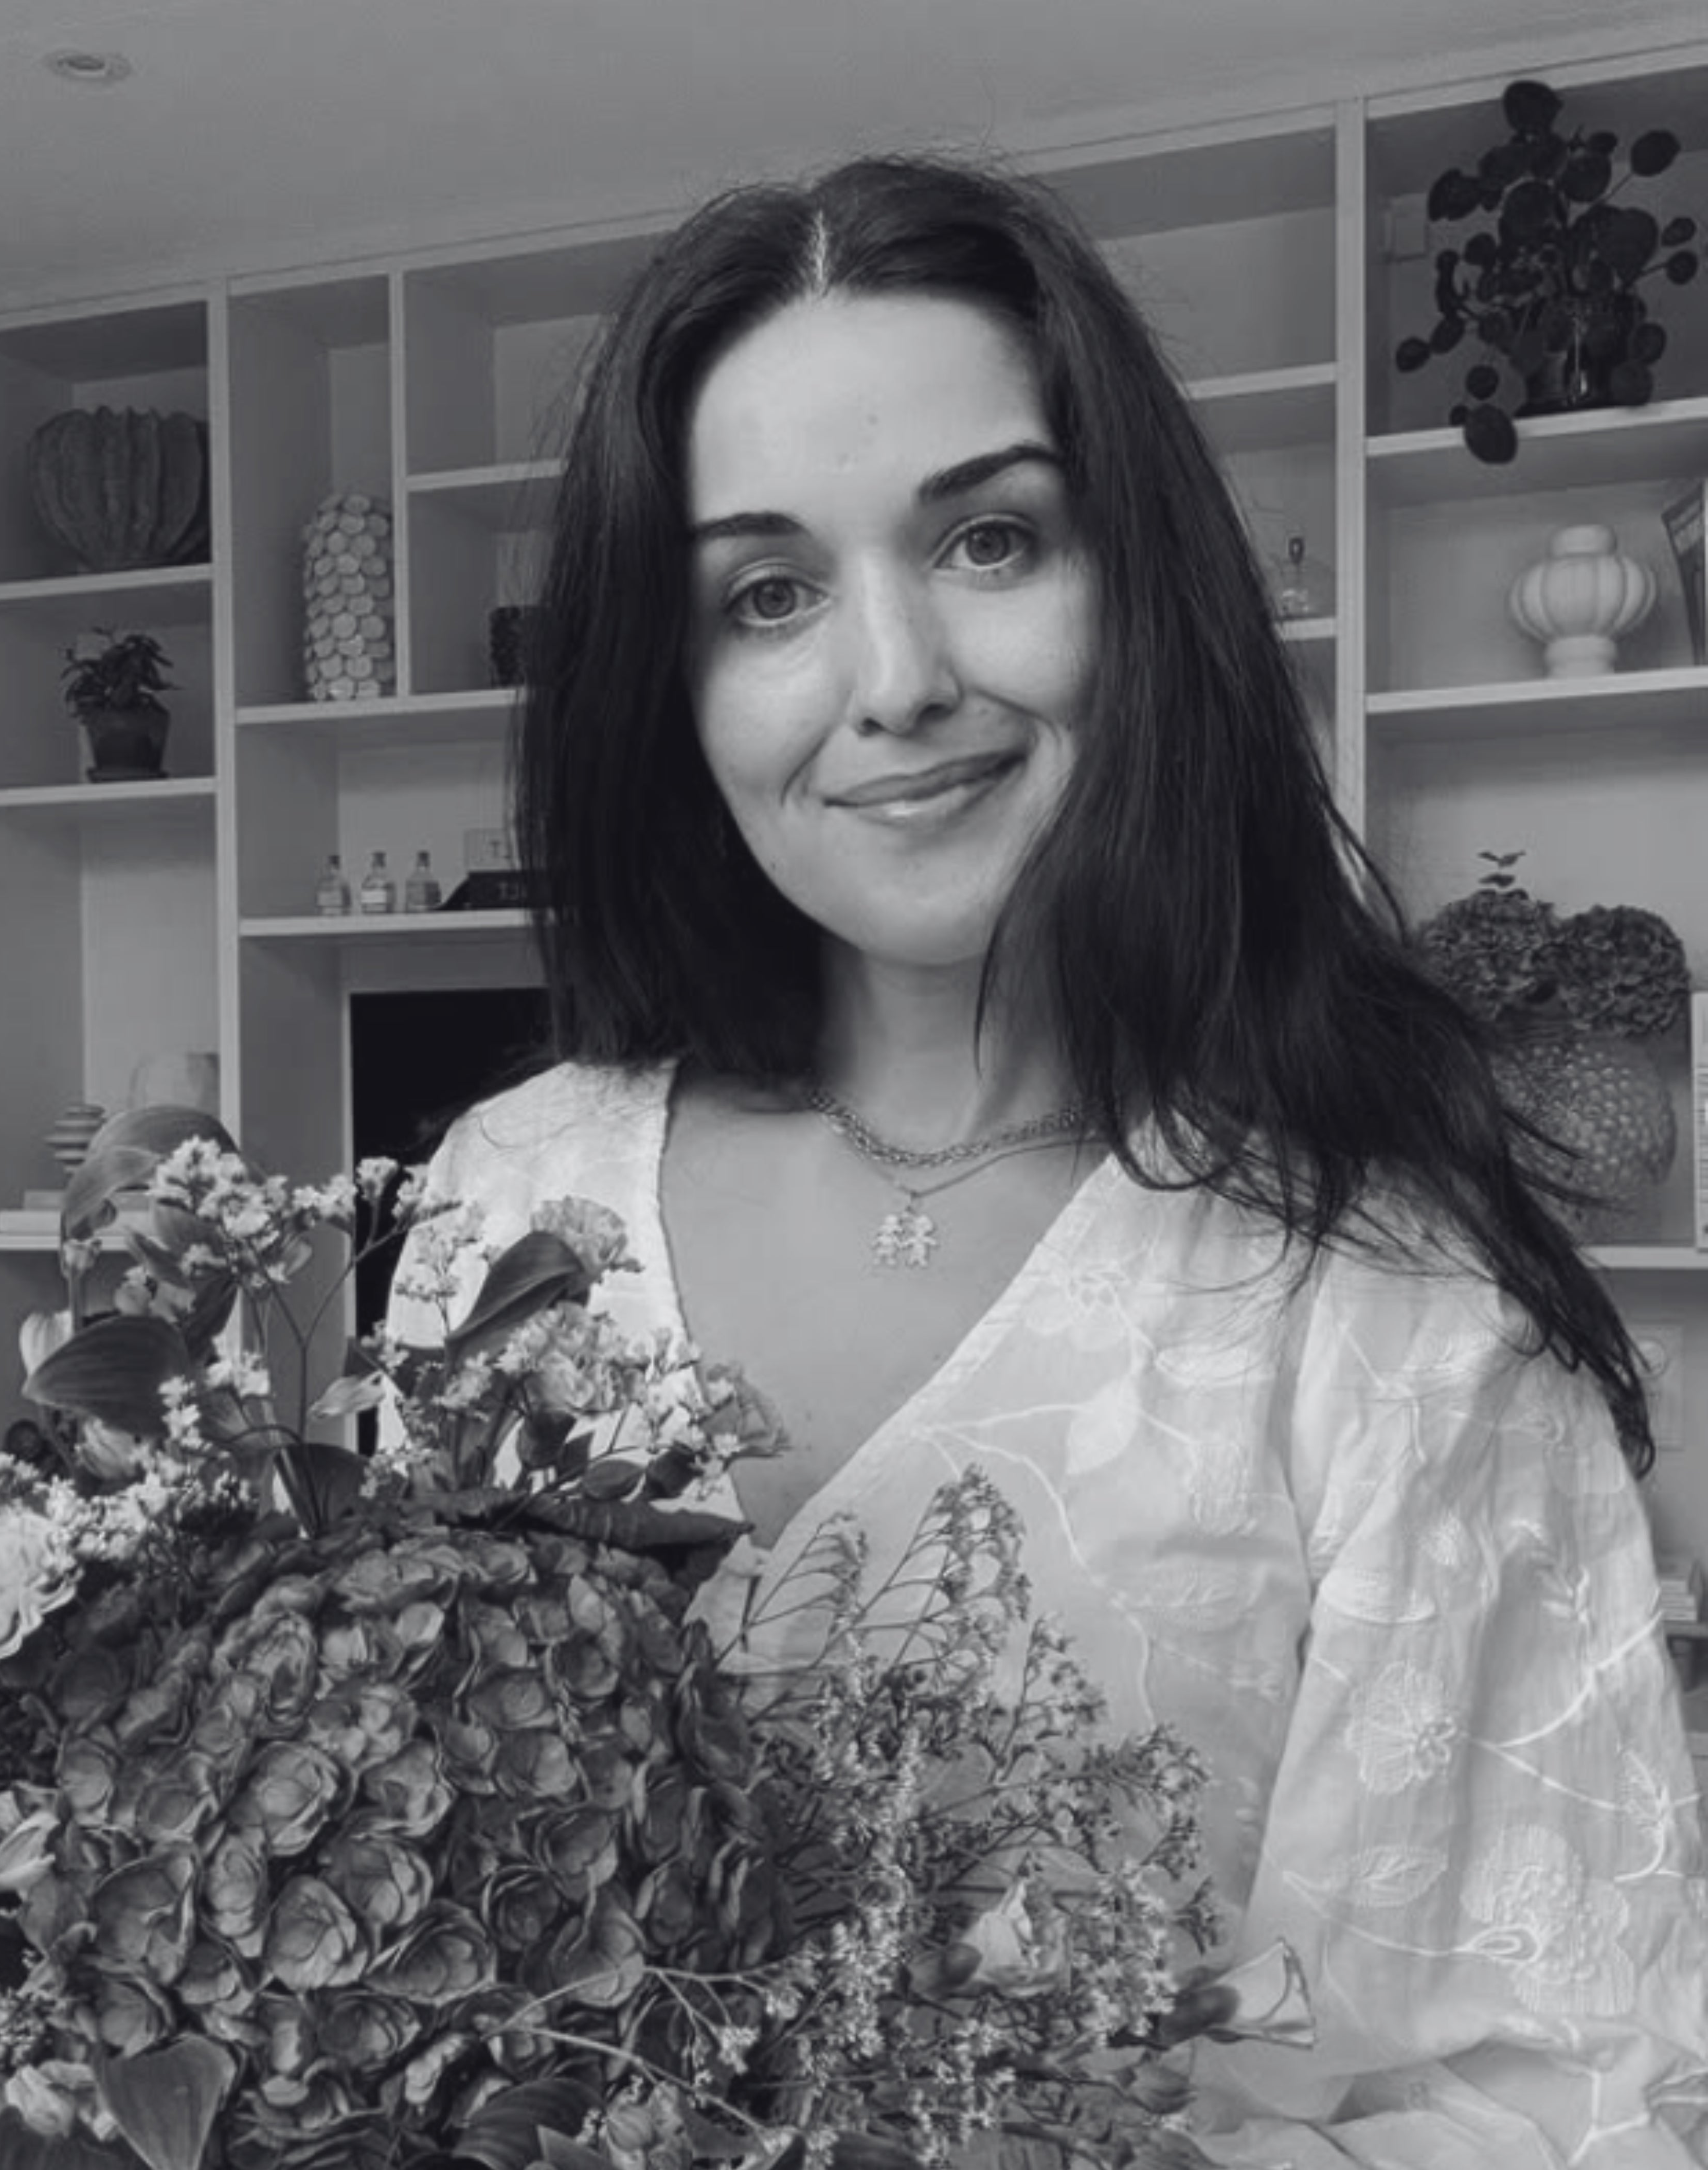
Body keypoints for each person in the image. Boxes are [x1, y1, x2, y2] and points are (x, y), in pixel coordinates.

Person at [390, 154, 1708, 2164]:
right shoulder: (502, 1201)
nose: (897, 674)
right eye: (768, 592)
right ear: (671, 692)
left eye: (990, 538)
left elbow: (1571, 2085)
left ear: (1142, 583)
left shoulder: (1391, 1301)